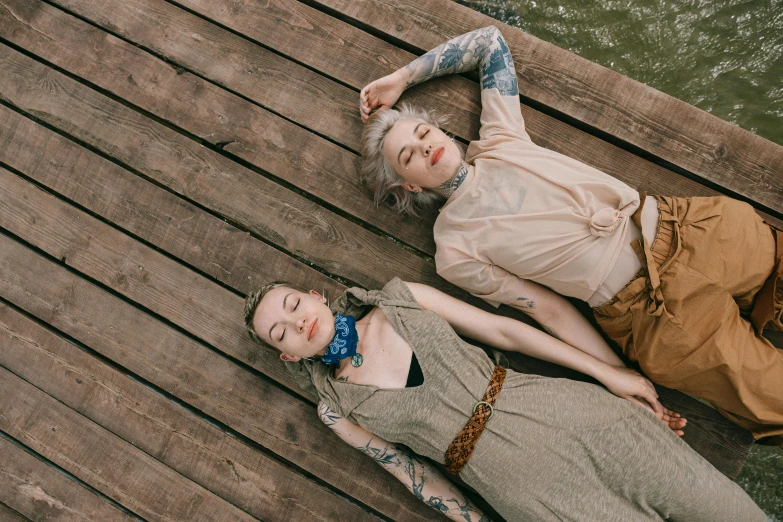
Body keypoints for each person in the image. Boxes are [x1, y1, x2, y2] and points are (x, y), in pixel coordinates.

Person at [358, 25, 783, 443]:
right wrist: (616, 375)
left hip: (692, 230)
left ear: (440, 130)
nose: (423, 145)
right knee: (773, 395)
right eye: (407, 154)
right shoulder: (454, 250)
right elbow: (548, 309)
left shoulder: (500, 138)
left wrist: (403, 78)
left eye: (422, 132)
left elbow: (489, 43)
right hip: (657, 317)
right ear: (409, 184)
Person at [243, 277, 765, 522]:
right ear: (287, 357)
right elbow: (410, 473)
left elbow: (503, 330)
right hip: (524, 492)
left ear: (313, 295)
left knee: (728, 511)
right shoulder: (337, 410)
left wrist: (608, 373)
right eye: (281, 333)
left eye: (292, 305)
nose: (297, 322)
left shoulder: (402, 298)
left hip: (571, 417)